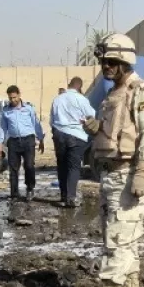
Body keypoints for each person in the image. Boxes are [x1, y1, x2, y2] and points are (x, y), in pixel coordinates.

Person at [73, 33, 144, 287]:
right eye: (104, 61)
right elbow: (116, 132)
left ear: (125, 61)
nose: (106, 67)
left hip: (128, 172)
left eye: (111, 61)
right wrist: (97, 128)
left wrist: (143, 171)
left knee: (119, 237)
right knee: (125, 234)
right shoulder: (113, 94)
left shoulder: (142, 92)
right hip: (110, 174)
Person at [50, 77, 96, 207]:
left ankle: (63, 196)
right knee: (74, 167)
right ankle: (71, 197)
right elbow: (91, 115)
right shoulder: (82, 99)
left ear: (69, 85)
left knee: (62, 165)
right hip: (76, 135)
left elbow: (51, 120)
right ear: (80, 87)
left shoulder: (57, 99)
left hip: (59, 134)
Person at [0, 85, 45, 202]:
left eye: (14, 97)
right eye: (10, 98)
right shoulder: (6, 111)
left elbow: (36, 124)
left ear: (19, 95)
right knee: (13, 169)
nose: (13, 100)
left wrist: (41, 139)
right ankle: (14, 194)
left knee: (29, 165)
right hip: (13, 142)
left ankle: (30, 188)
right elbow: (2, 128)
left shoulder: (28, 108)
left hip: (28, 140)